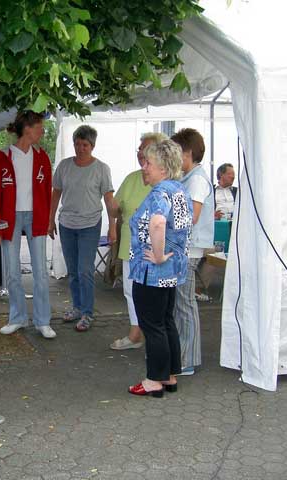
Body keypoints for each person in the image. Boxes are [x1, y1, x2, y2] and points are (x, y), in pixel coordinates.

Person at [127, 140, 192, 397]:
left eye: (148, 163)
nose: (144, 167)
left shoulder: (159, 193)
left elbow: (157, 224)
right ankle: (169, 376)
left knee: (152, 325)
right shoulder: (179, 189)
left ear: (163, 168)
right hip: (172, 272)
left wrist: (156, 255)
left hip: (152, 272)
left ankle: (154, 380)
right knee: (166, 322)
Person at [0, 111, 56, 339]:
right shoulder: (2, 157)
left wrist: (48, 220)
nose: (42, 131)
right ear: (27, 129)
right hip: (10, 218)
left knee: (41, 272)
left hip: (36, 216)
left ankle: (42, 321)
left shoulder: (42, 157)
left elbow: (47, 192)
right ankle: (17, 318)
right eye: (40, 127)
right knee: (13, 272)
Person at [48, 125, 117, 332]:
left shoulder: (101, 169)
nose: (80, 148)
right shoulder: (64, 166)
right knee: (73, 271)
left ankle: (87, 312)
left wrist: (112, 227)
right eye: (77, 144)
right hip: (67, 224)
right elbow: (55, 194)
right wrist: (50, 220)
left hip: (90, 224)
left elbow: (109, 200)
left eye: (85, 145)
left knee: (85, 270)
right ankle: (77, 307)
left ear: (92, 146)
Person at [110, 132, 168, 350]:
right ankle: (136, 333)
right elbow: (115, 207)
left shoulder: (168, 182)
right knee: (131, 291)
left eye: (145, 150)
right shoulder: (133, 177)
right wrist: (113, 209)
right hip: (130, 245)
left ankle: (155, 339)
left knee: (155, 297)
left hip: (156, 249)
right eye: (139, 149)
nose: (140, 154)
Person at [171, 128, 213, 376]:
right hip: (183, 247)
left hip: (189, 248)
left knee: (185, 303)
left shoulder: (196, 179)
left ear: (187, 153)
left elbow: (192, 216)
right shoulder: (187, 177)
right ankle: (183, 353)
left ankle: (188, 359)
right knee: (181, 303)